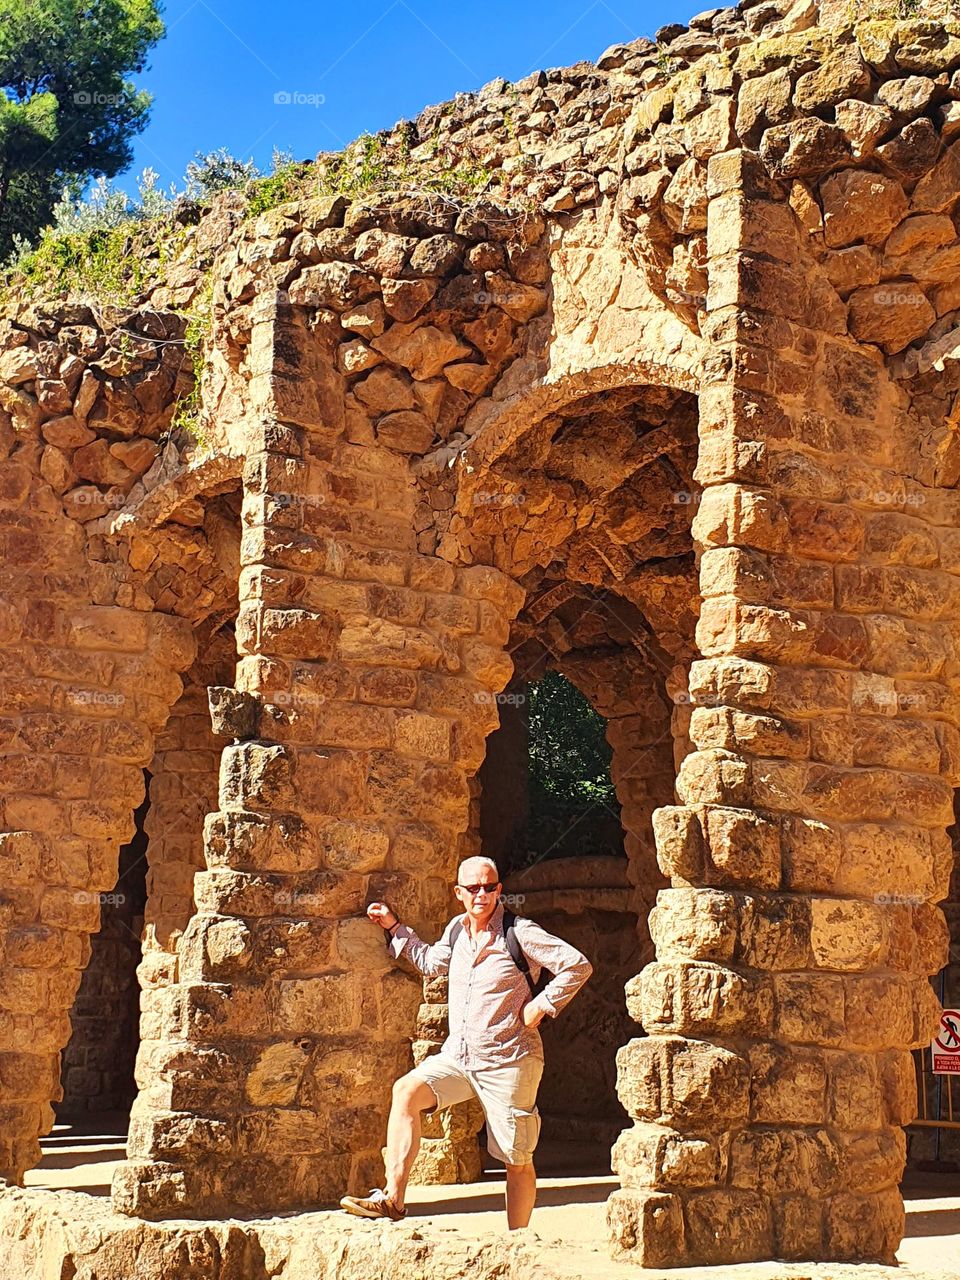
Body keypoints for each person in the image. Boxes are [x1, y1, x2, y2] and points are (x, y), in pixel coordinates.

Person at [339, 855, 593, 1228]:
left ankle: (516, 1243)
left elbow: (577, 965)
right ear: (459, 893)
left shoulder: (520, 932)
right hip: (459, 1058)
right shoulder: (457, 930)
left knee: (516, 1159)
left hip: (510, 1059)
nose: (482, 895)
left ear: (499, 890)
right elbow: (431, 962)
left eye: (489, 887)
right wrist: (394, 927)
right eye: (473, 888)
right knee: (406, 1091)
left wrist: (541, 1005)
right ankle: (393, 1199)